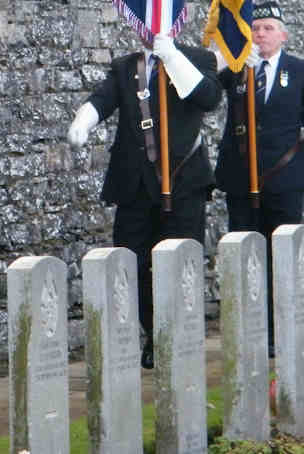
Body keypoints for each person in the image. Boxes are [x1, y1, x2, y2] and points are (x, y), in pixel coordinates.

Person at [67, 33, 222, 369]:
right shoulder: (127, 66)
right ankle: (154, 332)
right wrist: (84, 119)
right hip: (135, 185)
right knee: (131, 266)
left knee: (181, 264)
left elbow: (208, 97)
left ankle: (179, 334)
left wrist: (172, 57)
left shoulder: (198, 59)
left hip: (182, 182)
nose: (148, 29)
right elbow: (103, 99)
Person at [213, 0, 304, 356]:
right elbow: (206, 90)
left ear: (283, 35)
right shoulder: (237, 68)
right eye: (255, 28)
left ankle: (277, 328)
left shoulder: (301, 71)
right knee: (245, 254)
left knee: (280, 253)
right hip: (242, 177)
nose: (260, 34)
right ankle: (247, 328)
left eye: (268, 28)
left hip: (284, 177)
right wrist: (228, 60)